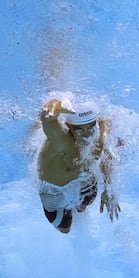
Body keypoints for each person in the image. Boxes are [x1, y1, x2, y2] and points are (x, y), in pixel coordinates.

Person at [38, 98, 121, 233]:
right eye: (79, 129)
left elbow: (107, 156)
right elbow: (47, 119)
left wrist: (108, 189)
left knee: (84, 206)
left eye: (90, 127)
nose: (87, 133)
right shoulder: (61, 141)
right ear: (68, 126)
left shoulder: (100, 129)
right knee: (65, 229)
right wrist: (56, 105)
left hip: (84, 182)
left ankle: (79, 207)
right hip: (55, 193)